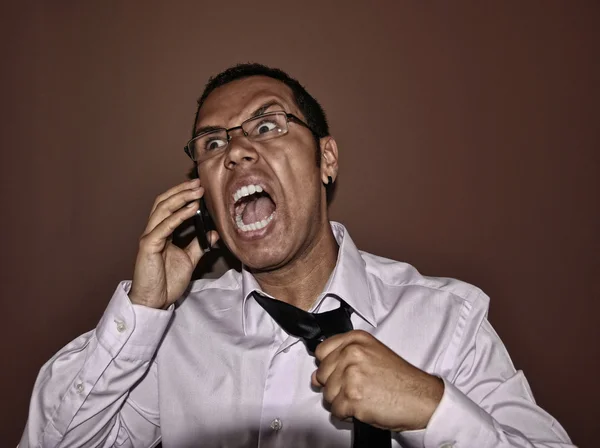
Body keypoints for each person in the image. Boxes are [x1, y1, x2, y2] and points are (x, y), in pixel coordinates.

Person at [20, 64, 574, 448]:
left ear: (325, 159)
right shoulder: (173, 337)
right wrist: (143, 311)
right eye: (212, 144)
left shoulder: (450, 319)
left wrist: (433, 408)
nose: (236, 150)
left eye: (267, 125)